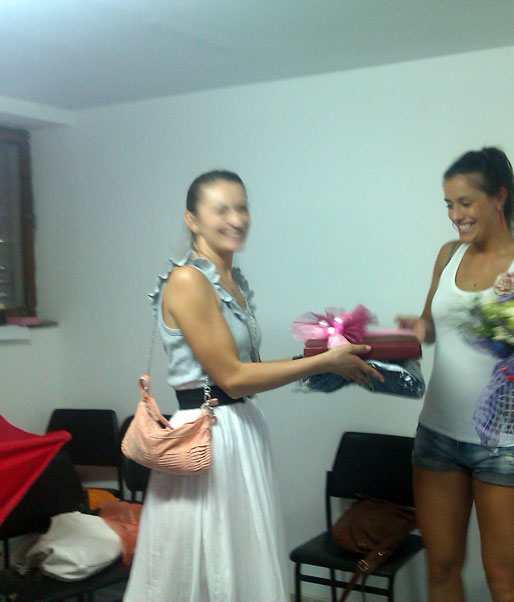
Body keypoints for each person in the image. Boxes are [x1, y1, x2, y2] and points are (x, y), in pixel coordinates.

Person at [123, 170, 382, 602]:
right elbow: (231, 378)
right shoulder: (188, 280)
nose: (236, 219)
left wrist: (327, 361)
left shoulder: (228, 281)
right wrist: (322, 361)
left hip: (238, 429)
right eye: (221, 209)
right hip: (208, 437)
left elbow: (249, 371)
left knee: (238, 558)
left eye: (241, 208)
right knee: (206, 562)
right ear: (192, 220)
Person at [396, 148, 514, 602]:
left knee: (505, 583)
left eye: (465, 202)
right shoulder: (448, 255)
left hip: (504, 447)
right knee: (441, 568)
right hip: (436, 437)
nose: (455, 215)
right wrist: (407, 333)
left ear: (499, 197)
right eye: (448, 204)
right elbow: (430, 325)